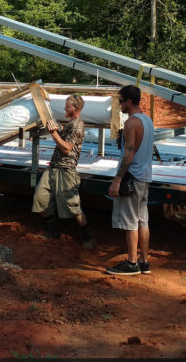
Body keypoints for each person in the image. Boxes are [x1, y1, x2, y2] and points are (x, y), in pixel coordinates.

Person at [31, 94, 96, 249]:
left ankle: (89, 238)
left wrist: (54, 133)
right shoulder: (70, 124)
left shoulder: (77, 125)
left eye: (68, 106)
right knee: (41, 198)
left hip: (66, 170)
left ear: (77, 108)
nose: (65, 108)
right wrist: (58, 130)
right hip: (53, 168)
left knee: (73, 206)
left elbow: (66, 148)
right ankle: (51, 231)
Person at [106, 84, 154, 276]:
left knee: (130, 223)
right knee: (143, 221)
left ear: (128, 102)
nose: (119, 105)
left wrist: (117, 180)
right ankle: (144, 262)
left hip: (132, 178)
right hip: (144, 178)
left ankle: (132, 263)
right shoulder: (147, 121)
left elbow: (129, 154)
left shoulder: (131, 123)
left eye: (120, 101)